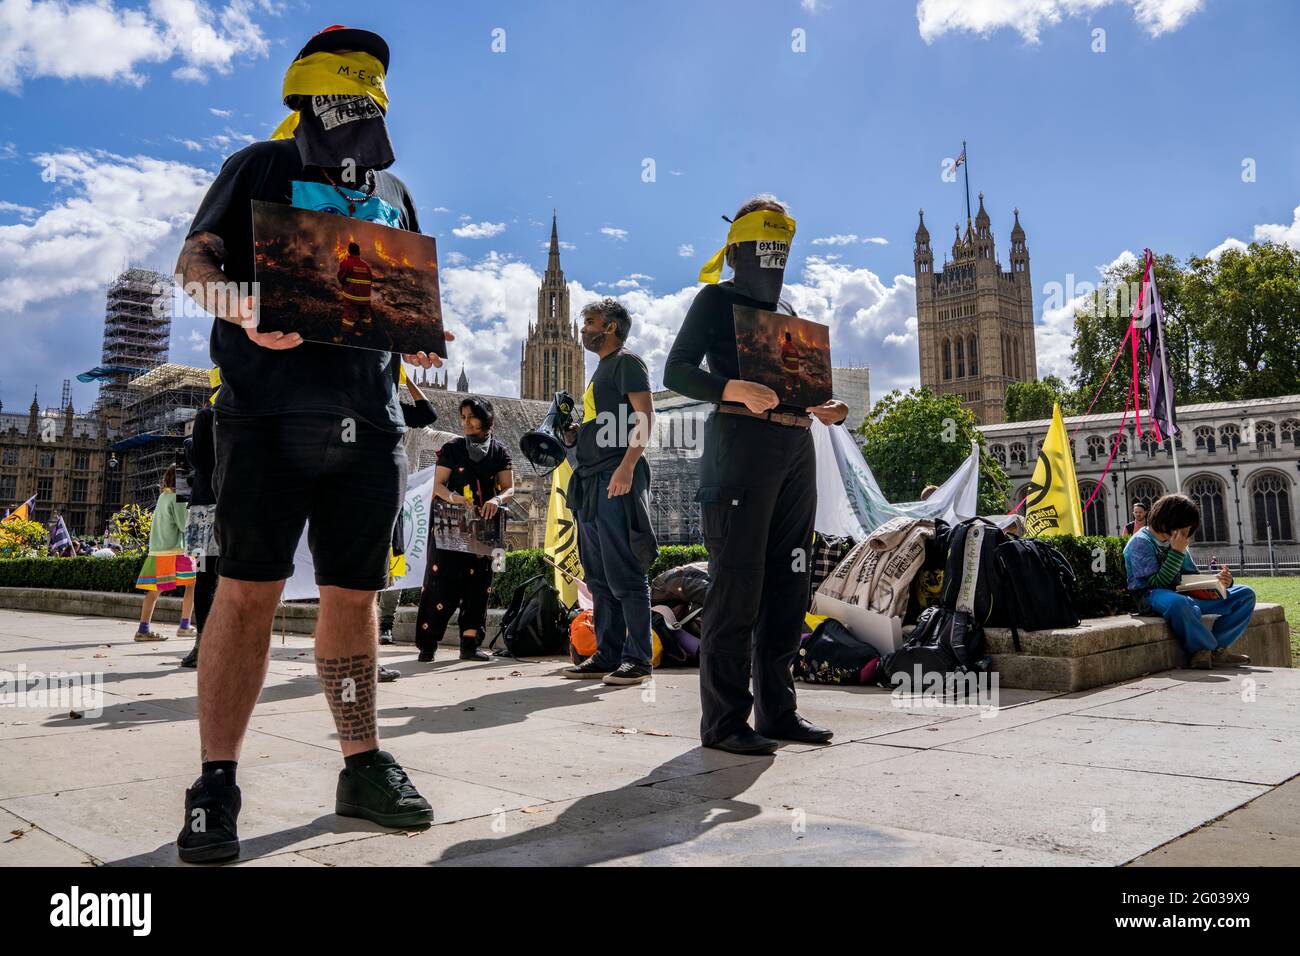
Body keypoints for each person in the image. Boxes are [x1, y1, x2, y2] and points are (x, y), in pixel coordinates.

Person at [172, 24, 450, 863]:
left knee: (354, 600)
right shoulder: (259, 164)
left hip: (367, 421)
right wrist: (241, 306)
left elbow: (396, 291)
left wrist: (419, 337)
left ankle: (360, 764)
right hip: (264, 413)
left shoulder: (394, 191)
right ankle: (214, 781)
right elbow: (195, 265)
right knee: (246, 593)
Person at [665, 195, 848, 755]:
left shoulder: (788, 308)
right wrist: (730, 388)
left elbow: (800, 380)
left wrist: (827, 406)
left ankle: (777, 711)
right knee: (737, 583)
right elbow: (675, 370)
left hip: (796, 446)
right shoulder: (714, 300)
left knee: (788, 586)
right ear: (741, 245)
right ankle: (723, 722)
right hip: (738, 444)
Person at [560, 298, 658, 686]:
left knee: (626, 573)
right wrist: (575, 434)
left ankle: (639, 659)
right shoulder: (601, 371)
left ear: (611, 328)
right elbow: (603, 426)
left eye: (590, 322)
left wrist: (627, 466)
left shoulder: (627, 362)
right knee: (598, 575)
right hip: (589, 480)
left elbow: (646, 417)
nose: (583, 329)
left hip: (615, 477)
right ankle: (607, 652)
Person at [417, 397, 513, 663]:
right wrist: (454, 498)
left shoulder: (500, 452)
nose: (467, 422)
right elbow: (438, 486)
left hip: (485, 526)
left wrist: (497, 500)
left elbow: (509, 488)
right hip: (451, 523)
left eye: (472, 417)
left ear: (486, 419)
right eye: (463, 417)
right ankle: (428, 645)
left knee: (480, 584)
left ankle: (470, 645)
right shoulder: (452, 448)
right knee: (440, 583)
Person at [1123, 493, 1255, 669]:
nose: (1187, 534)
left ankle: (1218, 650)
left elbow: (1192, 576)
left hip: (1183, 593)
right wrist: (1176, 553)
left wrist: (1221, 582)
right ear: (1168, 521)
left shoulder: (1176, 541)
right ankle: (1202, 649)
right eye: (1184, 528)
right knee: (1180, 603)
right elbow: (1156, 583)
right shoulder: (1140, 542)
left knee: (1245, 594)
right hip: (1151, 595)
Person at [134, 466, 197, 642]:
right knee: (192, 585)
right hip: (175, 550)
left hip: (157, 550)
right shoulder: (178, 499)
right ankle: (185, 626)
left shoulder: (163, 496)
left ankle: (143, 629)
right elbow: (184, 525)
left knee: (154, 591)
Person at [180, 400, 218, 669]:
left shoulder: (207, 417)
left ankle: (203, 643)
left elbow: (200, 459)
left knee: (204, 577)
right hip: (238, 508)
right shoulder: (253, 413)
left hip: (206, 510)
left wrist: (188, 443)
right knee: (233, 577)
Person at [336, 242, 375, 343]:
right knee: (366, 317)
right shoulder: (366, 266)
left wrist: (347, 286)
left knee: (349, 317)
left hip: (352, 297)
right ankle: (368, 337)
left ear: (348, 251)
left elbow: (341, 277)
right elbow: (370, 280)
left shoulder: (346, 263)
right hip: (365, 298)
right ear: (359, 252)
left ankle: (343, 339)